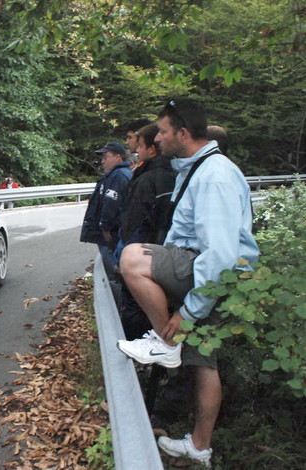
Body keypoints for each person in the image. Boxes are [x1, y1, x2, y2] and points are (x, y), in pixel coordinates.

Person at [117, 98, 259, 467]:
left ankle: (164, 341)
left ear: (182, 133)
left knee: (132, 258)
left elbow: (221, 253)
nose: (158, 138)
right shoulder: (199, 168)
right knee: (203, 364)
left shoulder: (214, 176)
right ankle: (200, 446)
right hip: (215, 281)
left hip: (209, 276)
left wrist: (188, 311)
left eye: (163, 131)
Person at [115, 123, 177, 340]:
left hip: (146, 257)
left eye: (140, 146)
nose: (135, 151)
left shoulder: (146, 178)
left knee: (137, 313)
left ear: (152, 149)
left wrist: (122, 256)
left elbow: (134, 223)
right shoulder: (179, 173)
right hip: (169, 258)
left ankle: (139, 360)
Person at [80, 142, 132, 278]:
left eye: (105, 157)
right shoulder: (118, 174)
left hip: (111, 234)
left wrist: (105, 227)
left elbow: (111, 204)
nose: (102, 161)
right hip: (114, 232)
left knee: (113, 270)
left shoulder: (118, 175)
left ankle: (117, 291)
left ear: (118, 157)